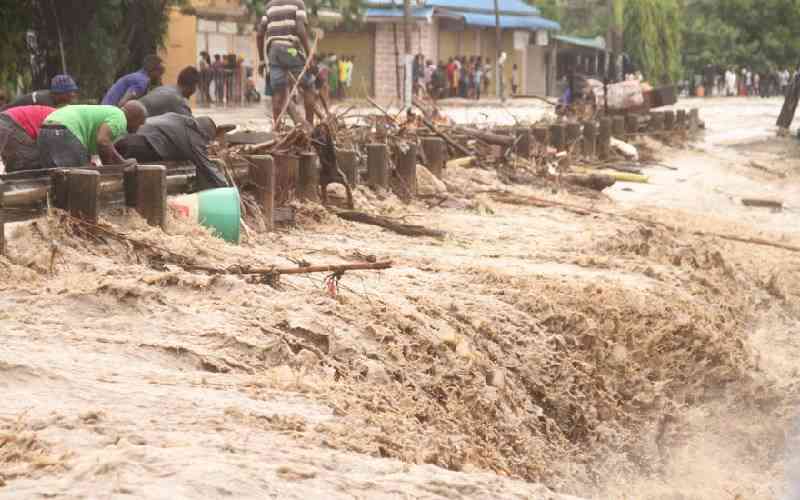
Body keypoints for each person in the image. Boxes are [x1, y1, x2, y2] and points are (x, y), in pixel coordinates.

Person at [115, 113, 228, 189]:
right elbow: (206, 166)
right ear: (203, 134)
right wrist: (226, 187)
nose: (204, 143)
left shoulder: (177, 118)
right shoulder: (194, 135)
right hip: (140, 145)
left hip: (122, 139)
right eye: (206, 140)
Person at [256, 0, 315, 128]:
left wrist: (261, 60)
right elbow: (300, 29)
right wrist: (309, 55)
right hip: (291, 50)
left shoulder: (270, 6)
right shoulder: (298, 3)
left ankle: (277, 130)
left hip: (274, 52)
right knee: (309, 86)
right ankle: (310, 127)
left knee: (278, 92)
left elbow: (260, 34)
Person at [37, 102, 146, 168]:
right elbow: (103, 141)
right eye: (140, 123)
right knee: (77, 179)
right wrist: (122, 162)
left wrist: (111, 166)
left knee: (54, 177)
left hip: (45, 129)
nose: (138, 128)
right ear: (134, 117)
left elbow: (104, 149)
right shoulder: (120, 117)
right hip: (65, 130)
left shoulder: (108, 112)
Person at [0, 105, 55, 172]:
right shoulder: (63, 124)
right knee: (29, 163)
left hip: (7, 120)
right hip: (11, 124)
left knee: (19, 163)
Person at [2, 74, 79, 111]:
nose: (73, 94)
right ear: (60, 92)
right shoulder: (45, 103)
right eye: (69, 92)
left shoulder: (49, 96)